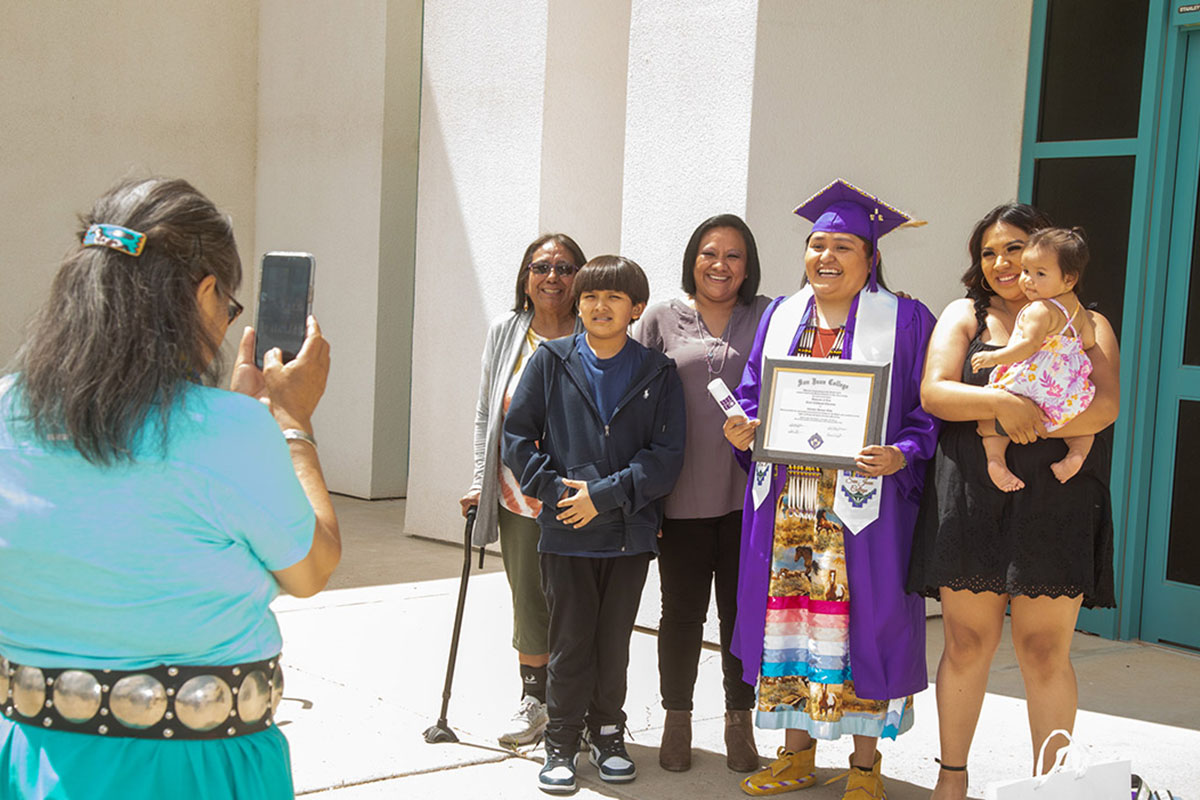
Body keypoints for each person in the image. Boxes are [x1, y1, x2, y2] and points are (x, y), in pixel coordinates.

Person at [0, 177, 339, 799]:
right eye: (227, 307)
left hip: (33, 758)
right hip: (191, 768)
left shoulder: (4, 408)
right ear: (205, 291)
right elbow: (311, 567)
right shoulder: (229, 432)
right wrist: (291, 425)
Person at [723, 180, 939, 799]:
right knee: (791, 622)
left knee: (860, 629)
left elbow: (927, 414)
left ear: (871, 257)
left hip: (863, 510)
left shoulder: (905, 318)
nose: (826, 257)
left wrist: (902, 451)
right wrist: (744, 425)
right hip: (790, 502)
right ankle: (796, 756)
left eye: (843, 245)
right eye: (817, 244)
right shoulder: (781, 315)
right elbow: (751, 395)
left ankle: (866, 767)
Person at [906, 204, 1119, 800]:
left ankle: (1052, 787)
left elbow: (1103, 408)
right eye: (989, 253)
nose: (1004, 263)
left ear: (1050, 258)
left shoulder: (1087, 321)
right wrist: (1001, 407)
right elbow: (936, 392)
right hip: (973, 491)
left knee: (1044, 647)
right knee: (967, 642)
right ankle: (952, 780)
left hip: (1057, 495)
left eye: (1016, 248)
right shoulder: (965, 315)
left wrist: (1031, 421)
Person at [501, 256, 686, 794]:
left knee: (613, 642)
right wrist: (560, 496)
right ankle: (560, 741)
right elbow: (517, 438)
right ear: (578, 305)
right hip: (566, 531)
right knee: (569, 640)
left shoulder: (657, 370)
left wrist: (602, 498)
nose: (599, 306)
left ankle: (607, 732)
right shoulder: (551, 361)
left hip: (626, 533)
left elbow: (666, 455)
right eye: (589, 297)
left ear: (636, 308)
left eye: (613, 298)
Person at [633, 214, 772, 773]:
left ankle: (740, 721)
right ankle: (678, 718)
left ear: (749, 265)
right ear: (693, 258)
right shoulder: (661, 317)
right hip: (681, 495)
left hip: (750, 497)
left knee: (741, 615)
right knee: (682, 615)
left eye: (734, 255)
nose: (721, 265)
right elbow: (635, 400)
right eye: (710, 253)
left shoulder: (769, 315)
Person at [459, 233, 585, 747]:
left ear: (581, 276)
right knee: (529, 601)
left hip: (578, 497)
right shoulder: (505, 331)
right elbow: (488, 411)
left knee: (576, 602)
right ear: (525, 277)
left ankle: (575, 707)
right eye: (541, 267)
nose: (552, 276)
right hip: (516, 492)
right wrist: (477, 480)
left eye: (564, 267)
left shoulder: (594, 328)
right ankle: (535, 702)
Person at [969, 227, 1096, 491]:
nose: (1027, 280)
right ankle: (1076, 455)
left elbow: (1027, 347)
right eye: (1026, 271)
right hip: (1065, 385)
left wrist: (994, 357)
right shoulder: (1076, 309)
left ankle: (995, 461)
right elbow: (1089, 342)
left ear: (1069, 279)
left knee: (989, 426)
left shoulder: (1039, 309)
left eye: (1040, 274)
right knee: (1082, 425)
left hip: (1034, 381)